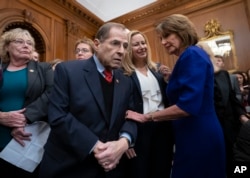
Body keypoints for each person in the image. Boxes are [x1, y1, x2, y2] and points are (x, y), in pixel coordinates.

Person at [125, 14, 226, 178]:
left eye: (166, 36)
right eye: (161, 38)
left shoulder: (191, 55)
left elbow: (187, 106)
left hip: (198, 134)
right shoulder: (188, 56)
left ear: (181, 32)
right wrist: (171, 79)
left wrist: (147, 117)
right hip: (190, 133)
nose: (163, 42)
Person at [39, 22, 137, 178]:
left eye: (125, 46)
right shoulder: (68, 70)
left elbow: (132, 116)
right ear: (97, 44)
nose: (121, 51)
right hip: (69, 166)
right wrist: (96, 147)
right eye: (115, 43)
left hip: (111, 167)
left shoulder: (126, 81)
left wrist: (124, 142)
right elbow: (58, 116)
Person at [0, 28, 54, 177]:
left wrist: (25, 118)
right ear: (6, 46)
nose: (26, 45)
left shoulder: (44, 69)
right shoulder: (0, 69)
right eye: (19, 41)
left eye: (29, 43)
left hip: (26, 137)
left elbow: (52, 93)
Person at [122, 30, 173, 178]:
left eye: (143, 43)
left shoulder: (157, 69)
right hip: (139, 130)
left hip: (163, 127)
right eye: (136, 44)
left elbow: (168, 99)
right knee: (140, 172)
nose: (141, 47)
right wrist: (126, 139)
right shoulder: (124, 74)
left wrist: (168, 81)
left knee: (162, 169)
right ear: (129, 49)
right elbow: (120, 109)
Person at [197, 42, 248, 177]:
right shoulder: (196, 77)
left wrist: (242, 116)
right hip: (210, 127)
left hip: (230, 126)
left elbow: (232, 99)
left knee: (235, 162)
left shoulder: (223, 74)